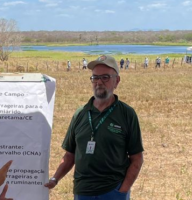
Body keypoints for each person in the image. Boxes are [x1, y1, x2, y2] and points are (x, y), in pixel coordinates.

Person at [45, 55, 143, 200]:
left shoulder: (127, 114)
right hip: (83, 191)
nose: (99, 82)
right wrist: (55, 179)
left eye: (105, 77)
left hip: (113, 191)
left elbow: (137, 158)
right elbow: (69, 156)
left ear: (117, 81)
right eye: (95, 78)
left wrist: (123, 190)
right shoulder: (81, 114)